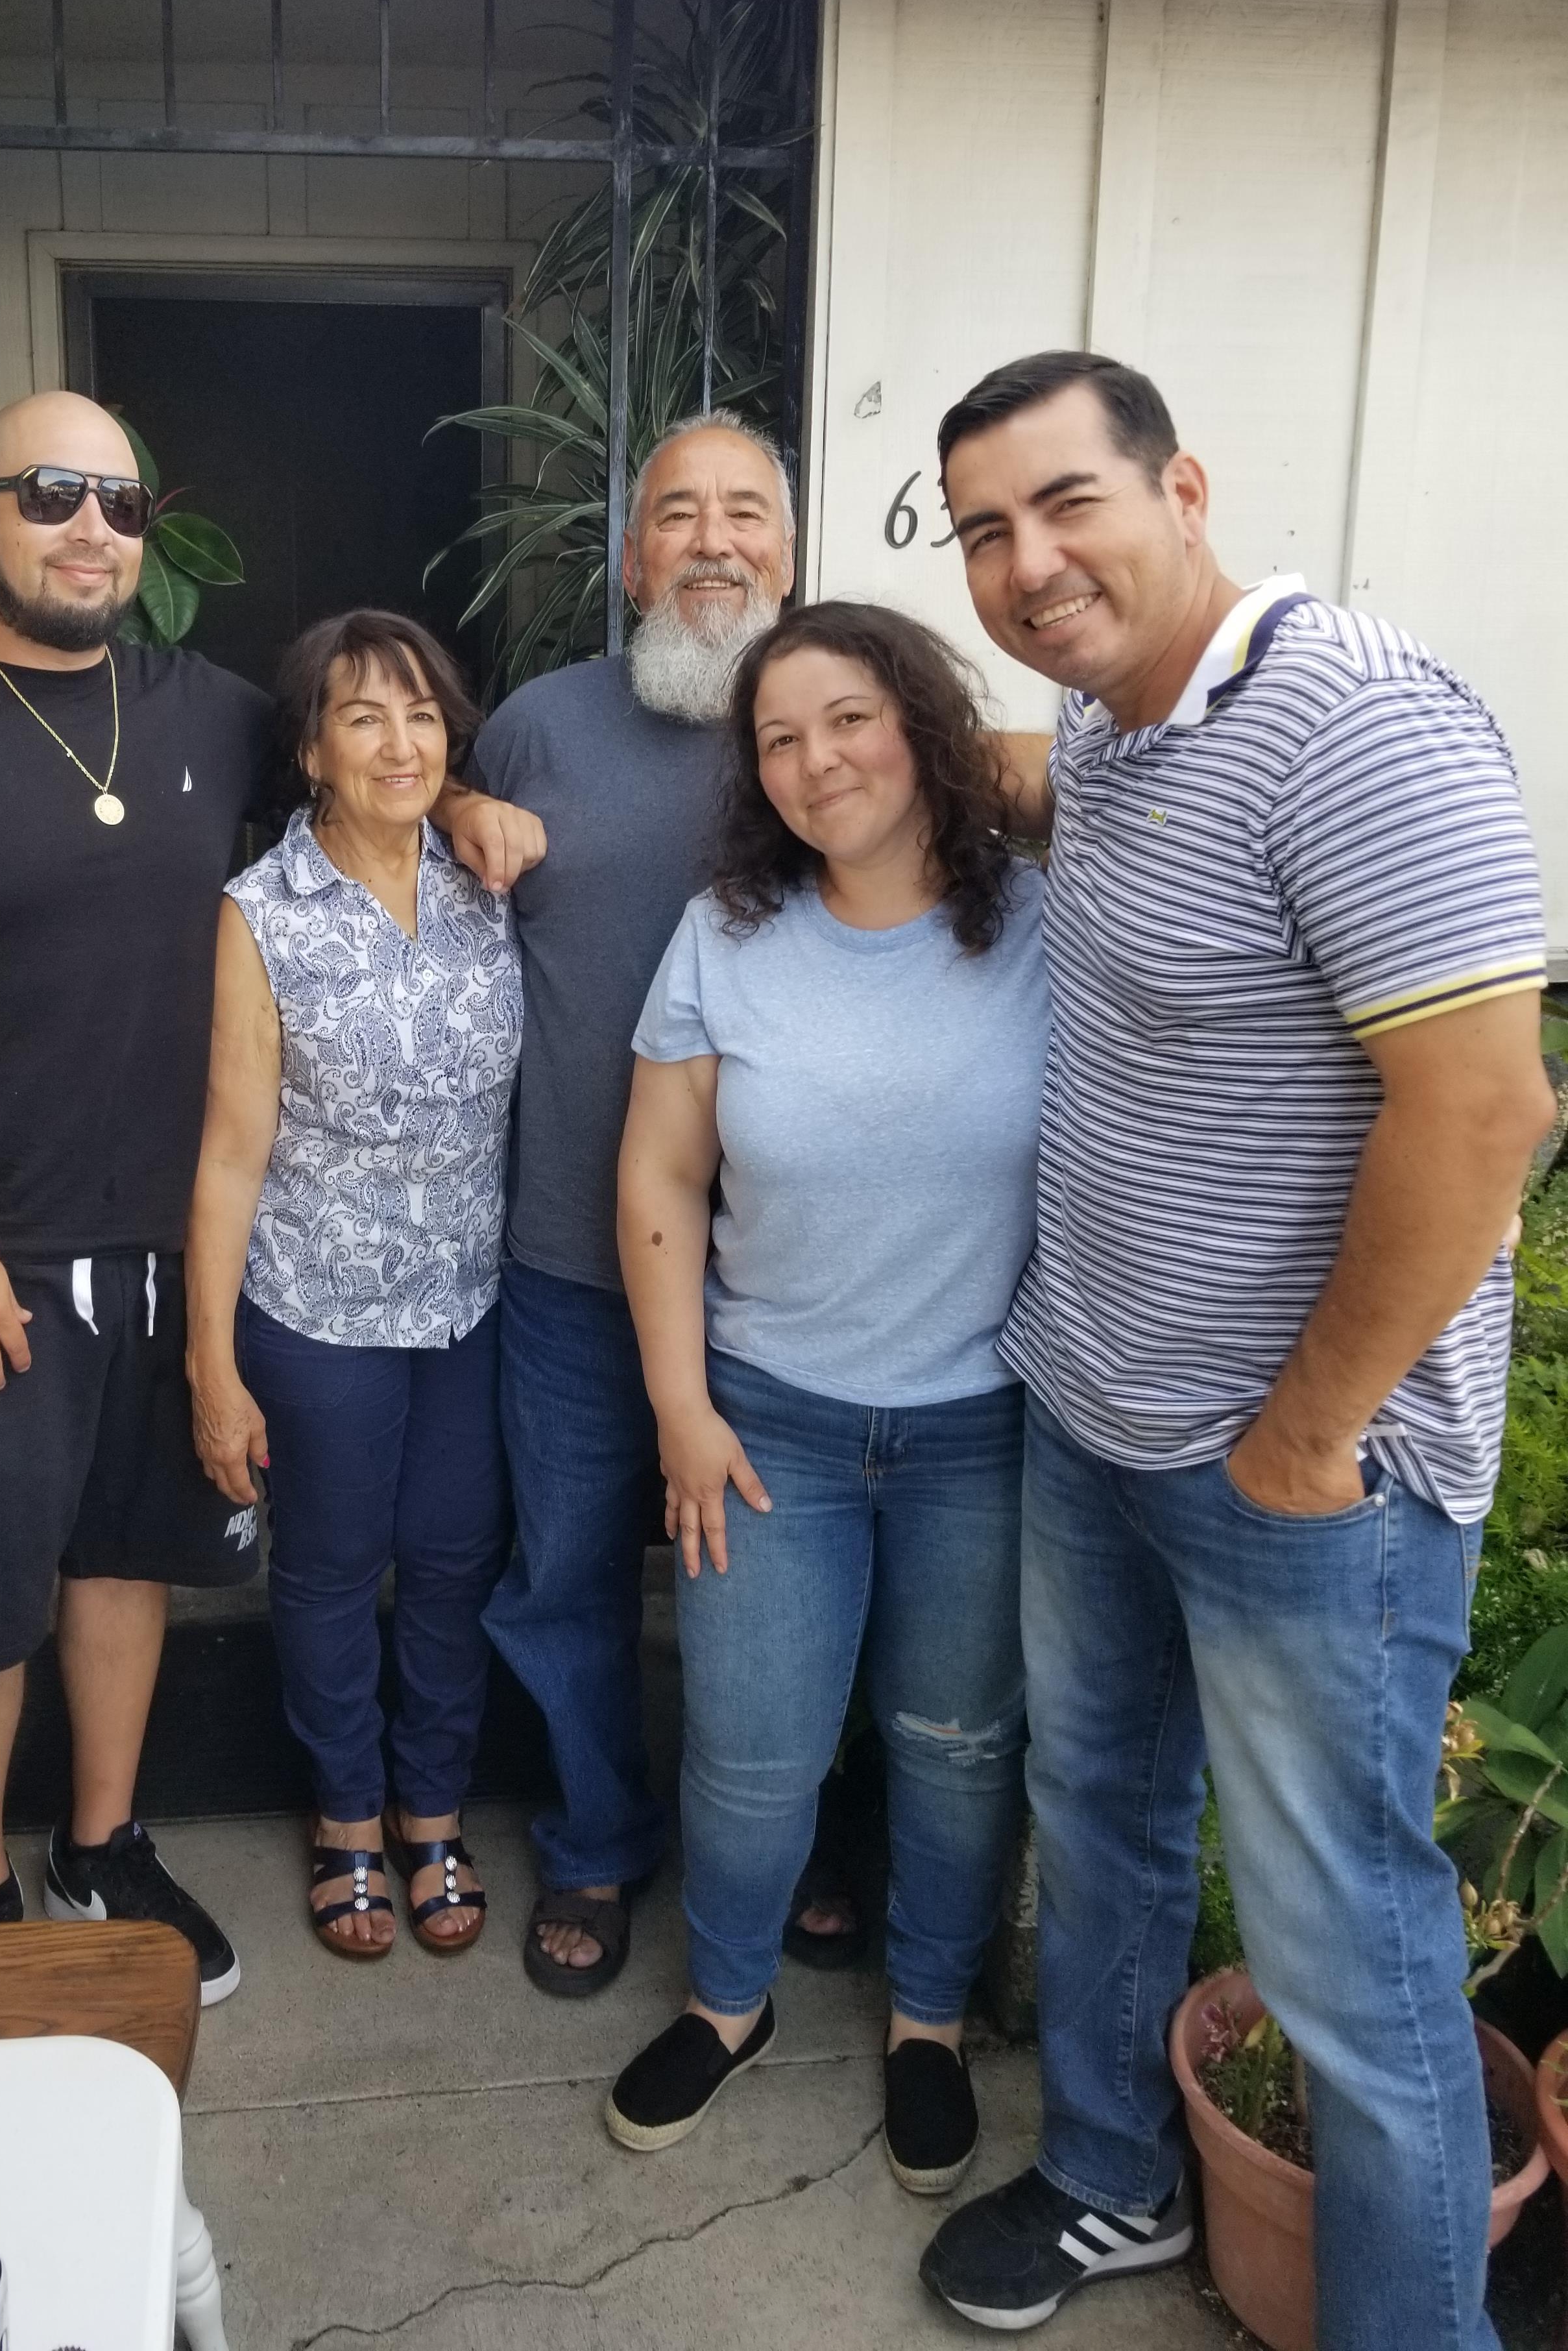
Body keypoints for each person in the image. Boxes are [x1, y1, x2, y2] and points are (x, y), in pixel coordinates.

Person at [0, 393, 541, 1996]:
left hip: (166, 1245)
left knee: (128, 1559)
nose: (91, 529)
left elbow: (358, 756)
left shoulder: (203, 708)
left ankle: (103, 1847)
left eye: (120, 503)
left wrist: (454, 801)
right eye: (50, 495)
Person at [915, 351, 1556, 2349]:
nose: (1029, 565)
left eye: (1069, 505)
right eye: (986, 533)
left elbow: (1484, 1111)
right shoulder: (1113, 728)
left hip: (1299, 1479)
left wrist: (1308, 1431)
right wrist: (866, 733)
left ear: (1184, 489)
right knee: (1105, 1822)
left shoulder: (1361, 726)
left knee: (1346, 1956)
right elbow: (1079, 823)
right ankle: (1112, 2180)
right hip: (1094, 1406)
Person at [603, 601, 1048, 2181]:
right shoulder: (726, 933)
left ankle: (926, 2020)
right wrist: (682, 1408)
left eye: (851, 719)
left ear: (924, 724)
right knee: (749, 1751)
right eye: (780, 738)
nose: (817, 762)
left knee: (956, 1744)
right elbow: (660, 1177)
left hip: (983, 1427)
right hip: (765, 1418)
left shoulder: (1046, 923)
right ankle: (727, 2003)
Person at [472, 408, 814, 1996]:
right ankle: (597, 1840)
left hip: (796, 1271)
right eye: (678, 514)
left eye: (745, 512)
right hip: (569, 1256)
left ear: (790, 554)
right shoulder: (536, 727)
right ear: (629, 558)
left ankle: (798, 1845)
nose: (712, 540)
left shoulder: (843, 724)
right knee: (567, 1573)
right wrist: (456, 811)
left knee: (794, 1582)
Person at [184, 612, 522, 1960]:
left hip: (472, 1302)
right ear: (313, 748)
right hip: (319, 1305)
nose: (400, 743)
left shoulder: (486, 878)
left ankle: (431, 1806)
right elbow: (229, 1151)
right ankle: (345, 1816)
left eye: (423, 714)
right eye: (365, 716)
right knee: (329, 1570)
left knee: (452, 1560)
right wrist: (212, 1365)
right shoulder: (262, 914)